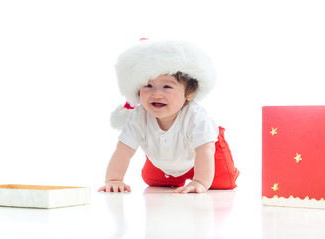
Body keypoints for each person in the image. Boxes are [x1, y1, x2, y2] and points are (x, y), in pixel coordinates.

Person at [98, 40, 239, 194]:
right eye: (148, 86)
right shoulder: (139, 116)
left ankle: (199, 177)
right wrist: (114, 179)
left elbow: (205, 150)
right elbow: (123, 150)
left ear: (189, 94)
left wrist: (199, 182)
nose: (156, 94)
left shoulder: (195, 117)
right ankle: (174, 175)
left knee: (224, 182)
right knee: (151, 180)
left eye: (167, 87)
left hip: (206, 154)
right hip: (166, 162)